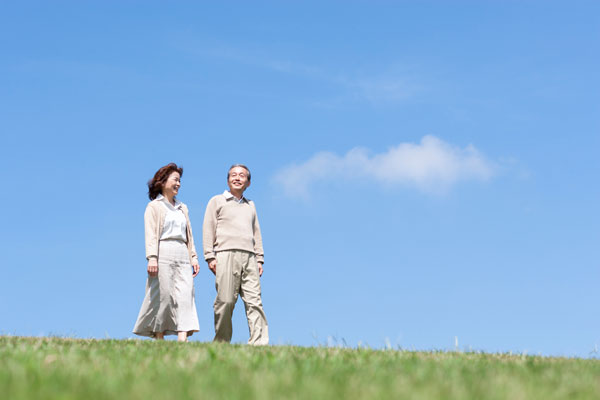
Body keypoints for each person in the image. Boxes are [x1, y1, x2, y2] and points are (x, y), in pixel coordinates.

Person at [133, 163, 200, 342]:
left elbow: (189, 235)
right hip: (163, 251)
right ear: (163, 182)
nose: (178, 184)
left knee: (186, 295)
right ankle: (159, 337)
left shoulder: (182, 208)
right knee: (163, 296)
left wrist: (193, 256)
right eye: (175, 180)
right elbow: (150, 235)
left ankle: (182, 339)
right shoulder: (154, 207)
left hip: (182, 253)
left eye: (180, 181)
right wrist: (152, 258)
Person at [202, 164, 269, 345]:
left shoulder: (250, 206)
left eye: (241, 175)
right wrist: (210, 256)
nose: (237, 178)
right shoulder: (217, 201)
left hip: (250, 257)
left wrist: (259, 258)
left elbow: (256, 233)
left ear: (248, 182)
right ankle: (222, 342)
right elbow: (208, 229)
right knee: (225, 301)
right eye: (233, 175)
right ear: (228, 180)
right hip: (225, 254)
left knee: (255, 301)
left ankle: (259, 343)